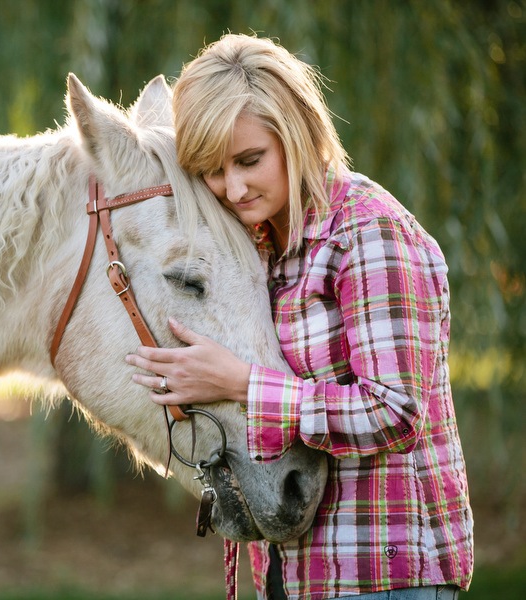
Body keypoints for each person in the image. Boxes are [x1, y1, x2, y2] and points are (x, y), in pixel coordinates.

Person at [126, 34, 473, 600]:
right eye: (213, 170)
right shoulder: (264, 250)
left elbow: (394, 408)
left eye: (249, 160)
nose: (233, 188)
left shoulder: (368, 234)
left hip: (383, 577)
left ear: (296, 135)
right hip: (292, 575)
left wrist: (240, 383)